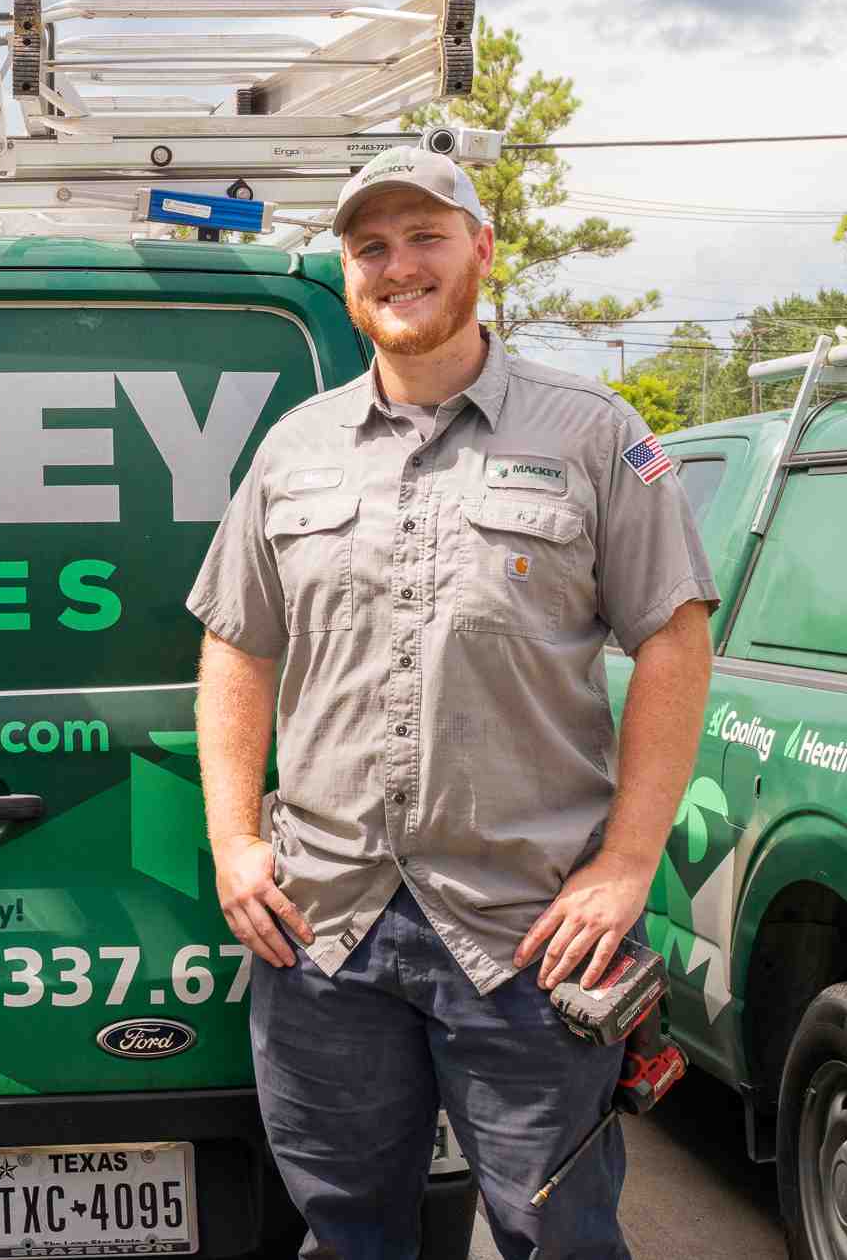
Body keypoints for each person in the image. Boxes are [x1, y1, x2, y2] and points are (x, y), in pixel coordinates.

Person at [186, 148, 716, 1259]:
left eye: (423, 237)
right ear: (346, 275)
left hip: (526, 934)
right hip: (322, 933)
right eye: (370, 247)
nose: (397, 266)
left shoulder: (593, 434)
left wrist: (624, 864)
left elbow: (672, 639)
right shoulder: (294, 449)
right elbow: (236, 644)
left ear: (480, 249)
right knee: (345, 1235)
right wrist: (233, 841)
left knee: (556, 1239)